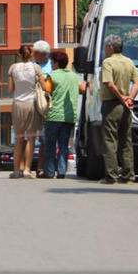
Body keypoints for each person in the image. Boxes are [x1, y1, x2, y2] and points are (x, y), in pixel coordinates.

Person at [98, 35, 138, 185]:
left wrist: (122, 97)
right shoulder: (129, 62)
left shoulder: (108, 62)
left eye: (105, 47)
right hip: (126, 106)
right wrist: (130, 97)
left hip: (112, 104)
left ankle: (111, 176)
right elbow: (137, 81)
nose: (105, 50)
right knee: (126, 141)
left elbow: (109, 84)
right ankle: (129, 175)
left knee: (110, 140)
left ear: (110, 48)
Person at [42, 51, 86, 179]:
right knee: (63, 145)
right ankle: (61, 171)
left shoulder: (52, 76)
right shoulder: (73, 76)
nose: (51, 64)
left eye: (52, 62)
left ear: (56, 63)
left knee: (50, 145)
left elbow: (47, 91)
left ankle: (49, 172)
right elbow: (82, 90)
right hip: (69, 117)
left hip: (54, 115)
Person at [7, 45, 47, 179]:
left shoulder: (13, 68)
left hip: (17, 104)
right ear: (31, 54)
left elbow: (10, 89)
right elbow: (45, 86)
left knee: (18, 138)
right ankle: (27, 170)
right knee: (30, 137)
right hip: (31, 103)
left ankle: (16, 169)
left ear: (19, 55)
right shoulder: (36, 68)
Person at [32, 40, 52, 177]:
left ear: (42, 54)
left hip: (45, 105)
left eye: (35, 52)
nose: (33, 54)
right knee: (30, 137)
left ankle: (41, 166)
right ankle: (26, 166)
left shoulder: (52, 66)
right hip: (32, 104)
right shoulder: (31, 65)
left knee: (44, 139)